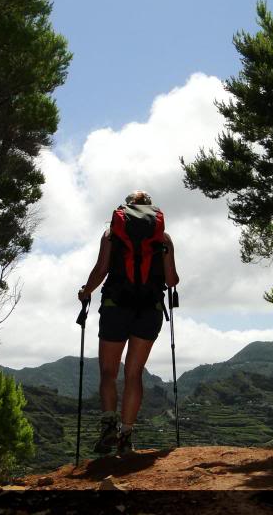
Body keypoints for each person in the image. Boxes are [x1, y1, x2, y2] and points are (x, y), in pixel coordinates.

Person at [77, 190, 180, 456]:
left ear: (126, 209)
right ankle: (126, 436)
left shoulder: (112, 234)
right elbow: (171, 281)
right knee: (133, 374)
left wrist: (86, 291)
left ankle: (109, 426)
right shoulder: (163, 238)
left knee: (109, 373)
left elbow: (101, 269)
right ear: (150, 210)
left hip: (115, 307)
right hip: (149, 310)